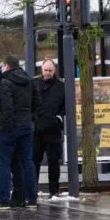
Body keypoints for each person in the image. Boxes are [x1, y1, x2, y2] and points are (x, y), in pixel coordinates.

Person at [0, 56, 40, 210]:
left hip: (10, 128)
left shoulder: (5, 82)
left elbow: (6, 107)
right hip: (26, 126)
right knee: (27, 161)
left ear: (6, 66)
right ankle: (32, 198)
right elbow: (37, 103)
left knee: (4, 163)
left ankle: (4, 199)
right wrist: (29, 118)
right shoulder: (29, 81)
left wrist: (4, 125)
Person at [0, 65, 24, 208]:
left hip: (1, 132)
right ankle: (16, 195)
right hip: (10, 131)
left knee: (2, 166)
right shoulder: (14, 90)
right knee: (15, 164)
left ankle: (1, 195)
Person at [33, 59, 65, 198]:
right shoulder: (34, 84)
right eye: (45, 70)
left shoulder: (61, 86)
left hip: (53, 129)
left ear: (54, 71)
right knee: (34, 160)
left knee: (54, 161)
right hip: (36, 129)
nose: (47, 73)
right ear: (41, 70)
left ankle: (54, 190)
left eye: (50, 70)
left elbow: (65, 106)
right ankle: (33, 188)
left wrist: (59, 117)